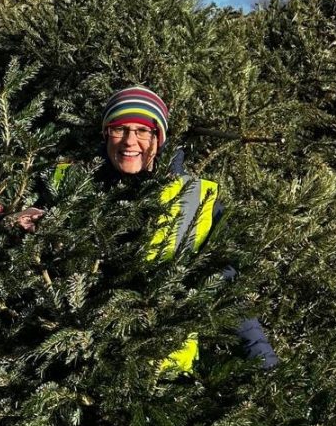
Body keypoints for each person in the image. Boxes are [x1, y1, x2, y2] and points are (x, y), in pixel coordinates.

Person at [50, 85, 277, 371]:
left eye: (143, 131)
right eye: (119, 129)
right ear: (106, 134)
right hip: (72, 365)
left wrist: (262, 358)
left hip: (162, 373)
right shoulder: (68, 184)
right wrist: (9, 217)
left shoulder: (198, 198)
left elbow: (222, 285)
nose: (130, 141)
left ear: (159, 138)